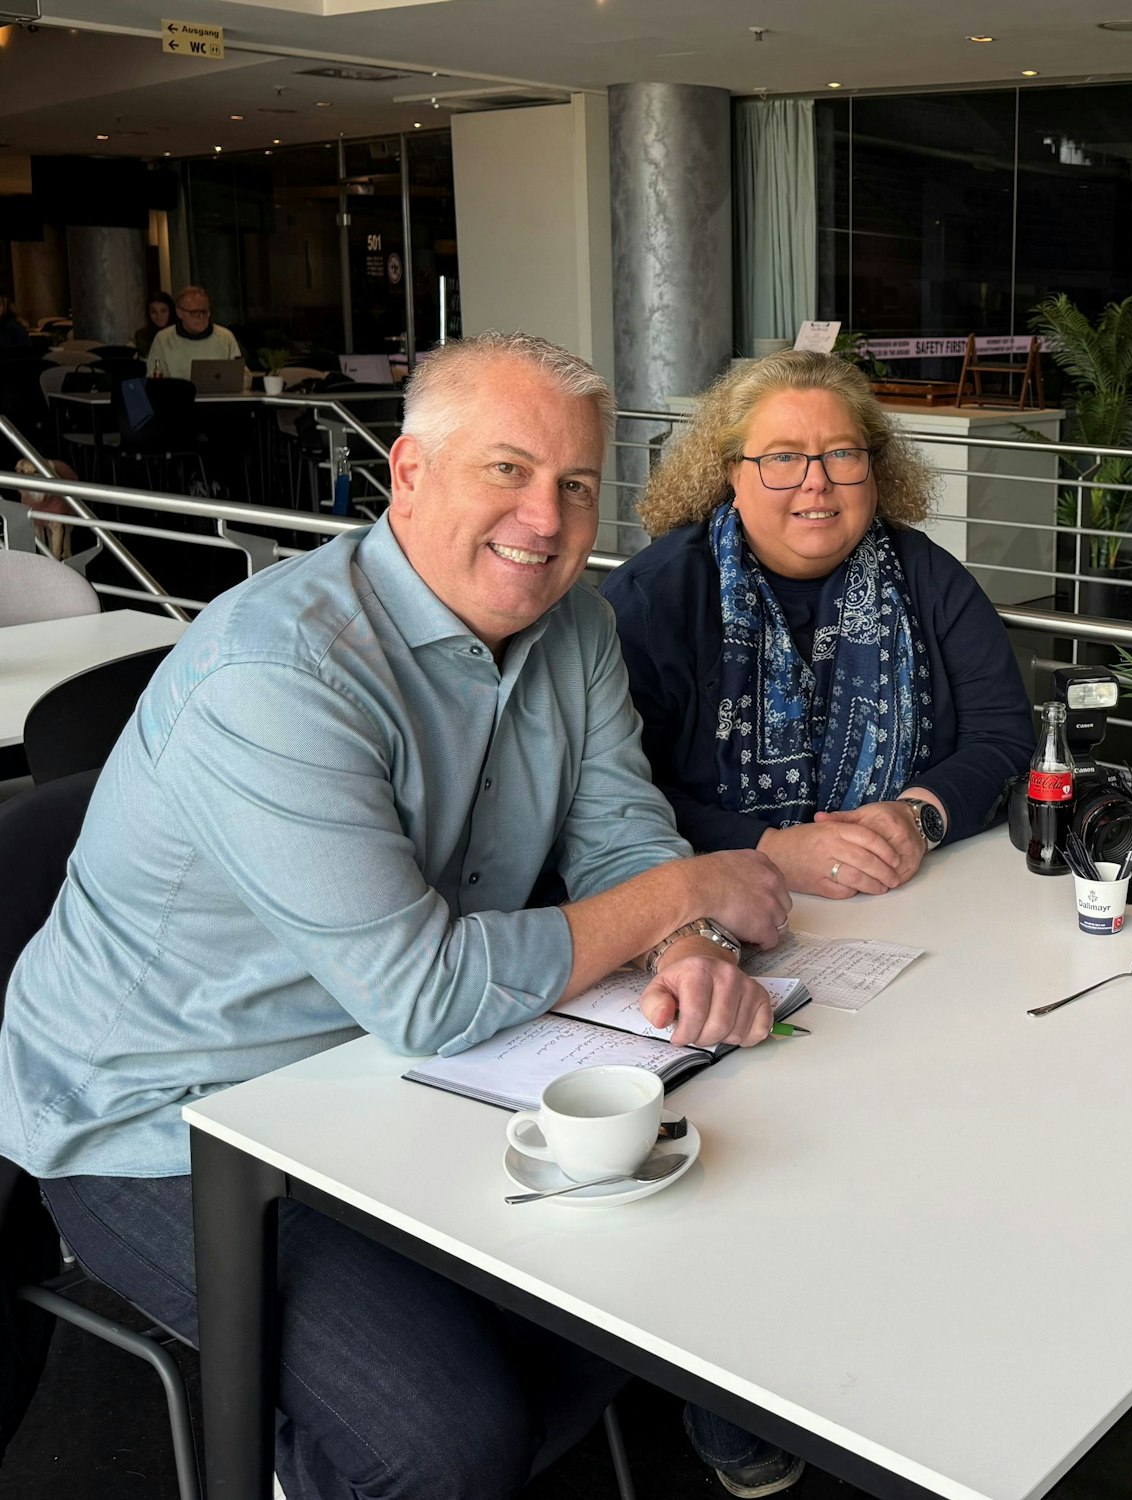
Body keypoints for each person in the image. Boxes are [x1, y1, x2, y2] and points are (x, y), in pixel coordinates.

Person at [0, 331, 797, 1500]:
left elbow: (621, 835)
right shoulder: (278, 674)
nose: (546, 517)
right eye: (506, 470)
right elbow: (429, 993)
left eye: (576, 484)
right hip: (164, 1114)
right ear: (408, 474)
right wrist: (689, 892)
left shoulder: (573, 627)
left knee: (656, 1278)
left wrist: (692, 941)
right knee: (439, 1442)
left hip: (382, 1072)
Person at [602, 349, 1033, 902]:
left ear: (873, 468)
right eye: (783, 458)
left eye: (842, 454)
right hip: (716, 905)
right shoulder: (652, 599)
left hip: (916, 900)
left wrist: (920, 817)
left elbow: (1002, 739)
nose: (817, 483)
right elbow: (615, 795)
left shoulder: (929, 579)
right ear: (733, 471)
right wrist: (769, 848)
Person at [144, 284, 243, 378]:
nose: (201, 317)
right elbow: (154, 380)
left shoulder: (225, 337)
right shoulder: (163, 339)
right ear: (179, 312)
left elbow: (240, 376)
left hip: (218, 395)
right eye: (194, 312)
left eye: (204, 312)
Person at [131, 290, 174, 357]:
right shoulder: (142, 336)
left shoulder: (179, 332)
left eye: (163, 311)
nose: (159, 316)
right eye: (153, 312)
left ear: (171, 311)